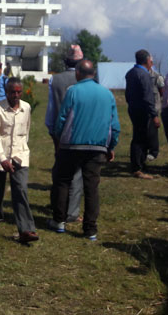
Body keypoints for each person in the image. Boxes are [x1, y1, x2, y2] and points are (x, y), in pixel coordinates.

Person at [49, 60, 120, 240]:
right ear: (94, 74)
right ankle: (90, 229)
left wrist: (58, 137)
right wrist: (110, 147)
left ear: (78, 73)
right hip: (97, 147)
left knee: (63, 181)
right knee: (91, 187)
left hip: (71, 145)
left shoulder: (73, 91)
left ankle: (59, 221)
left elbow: (62, 118)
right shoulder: (107, 94)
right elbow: (115, 125)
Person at [0, 77, 38, 243]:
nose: (16, 95)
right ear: (6, 92)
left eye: (18, 92)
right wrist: (1, 158)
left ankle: (26, 229)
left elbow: (26, 131)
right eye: (12, 92)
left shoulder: (26, 108)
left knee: (20, 189)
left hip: (19, 154)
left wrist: (20, 149)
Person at [45, 44, 85, 224]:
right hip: (80, 132)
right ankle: (71, 212)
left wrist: (53, 133)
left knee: (60, 170)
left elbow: (51, 110)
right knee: (76, 174)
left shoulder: (55, 80)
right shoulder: (86, 80)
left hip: (60, 132)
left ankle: (56, 204)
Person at [124, 50, 159, 179]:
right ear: (147, 60)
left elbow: (127, 94)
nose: (152, 62)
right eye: (151, 60)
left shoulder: (130, 73)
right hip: (143, 111)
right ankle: (137, 167)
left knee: (140, 137)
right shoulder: (144, 75)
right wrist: (154, 115)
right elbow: (148, 97)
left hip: (133, 108)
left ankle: (140, 164)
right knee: (140, 139)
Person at [147, 65, 165, 161]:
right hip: (144, 108)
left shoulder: (157, 77)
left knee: (152, 131)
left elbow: (162, 92)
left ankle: (153, 152)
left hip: (154, 108)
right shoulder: (141, 75)